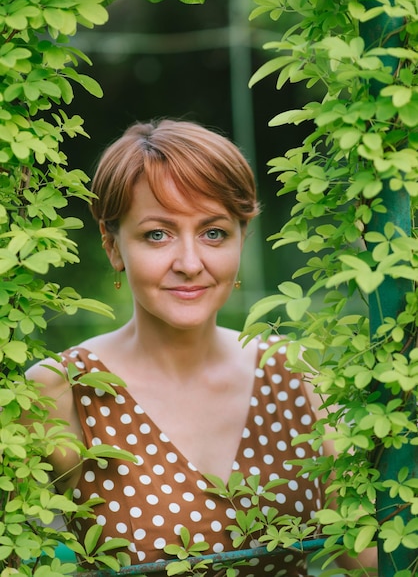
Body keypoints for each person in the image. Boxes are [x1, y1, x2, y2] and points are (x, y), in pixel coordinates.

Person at [25, 119, 376, 577]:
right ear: (114, 247)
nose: (190, 263)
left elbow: (365, 560)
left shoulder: (292, 374)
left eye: (214, 233)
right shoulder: (63, 391)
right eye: (157, 234)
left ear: (241, 239)